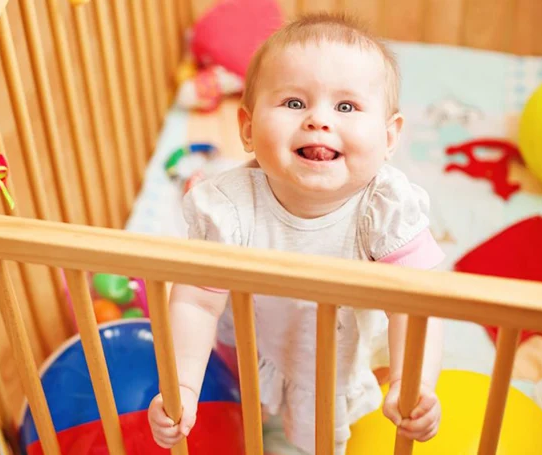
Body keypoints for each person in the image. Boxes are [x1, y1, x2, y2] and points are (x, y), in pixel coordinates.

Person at [147, 12, 445, 455]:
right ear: (247, 128)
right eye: (293, 103)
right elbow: (194, 300)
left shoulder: (385, 208)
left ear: (389, 137)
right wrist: (183, 387)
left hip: (330, 357)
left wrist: (412, 383)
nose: (318, 120)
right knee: (239, 399)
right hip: (248, 336)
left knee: (317, 439)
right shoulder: (227, 207)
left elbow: (419, 305)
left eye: (346, 107)